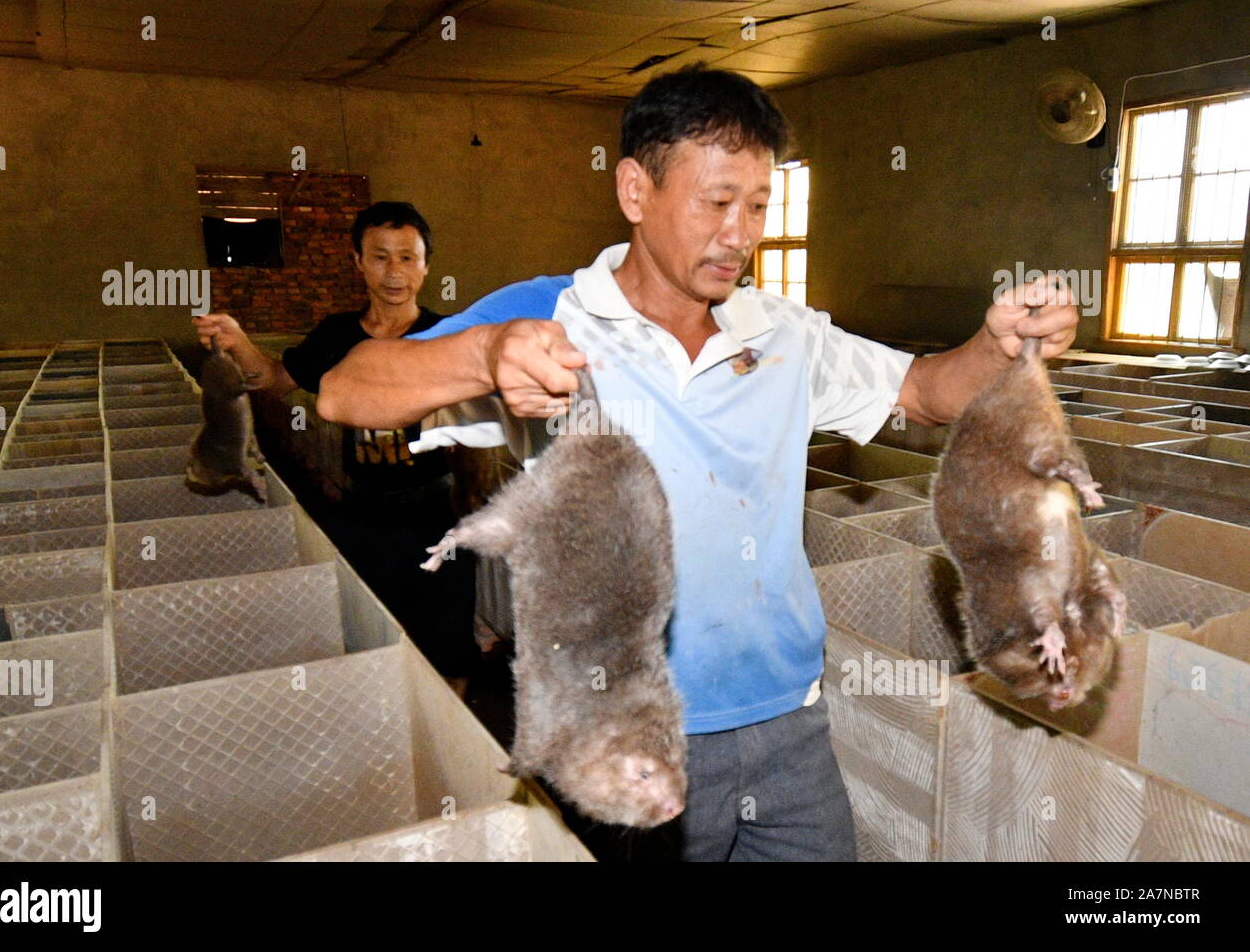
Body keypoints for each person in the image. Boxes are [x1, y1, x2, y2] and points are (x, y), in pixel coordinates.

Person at [315, 65, 1079, 861]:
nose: (740, 235)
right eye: (716, 202)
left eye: (757, 207)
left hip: (790, 721)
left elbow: (924, 391)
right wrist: (485, 351)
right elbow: (345, 392)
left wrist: (997, 349)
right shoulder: (555, 314)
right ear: (635, 191)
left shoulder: (783, 331)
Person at [191, 201, 479, 695]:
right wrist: (238, 342)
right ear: (358, 262)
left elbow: (476, 431)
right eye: (381, 257)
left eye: (408, 258)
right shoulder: (336, 334)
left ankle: (450, 740)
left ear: (426, 265)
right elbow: (276, 381)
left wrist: (472, 503)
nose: (395, 272)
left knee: (448, 647)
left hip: (436, 514)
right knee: (371, 639)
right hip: (361, 514)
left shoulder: (447, 336)